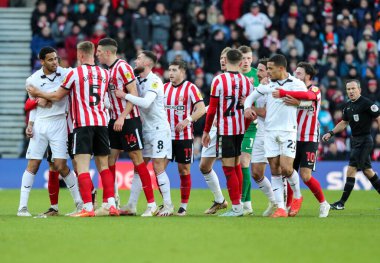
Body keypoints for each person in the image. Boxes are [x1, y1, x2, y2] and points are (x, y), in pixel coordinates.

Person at [27, 41, 117, 217]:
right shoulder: (105, 73)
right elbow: (106, 100)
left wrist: (37, 94)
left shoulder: (75, 73)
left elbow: (57, 95)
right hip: (101, 124)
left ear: (81, 55)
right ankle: (111, 204)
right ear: (92, 53)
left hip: (82, 125)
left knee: (81, 166)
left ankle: (88, 208)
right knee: (104, 167)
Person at [17, 47, 83, 217]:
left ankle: (79, 204)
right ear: (42, 61)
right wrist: (30, 124)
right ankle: (22, 207)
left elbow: (56, 95)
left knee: (61, 165)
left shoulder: (66, 73)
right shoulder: (32, 80)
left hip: (60, 123)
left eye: (56, 59)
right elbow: (32, 105)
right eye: (51, 60)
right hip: (40, 124)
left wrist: (43, 97)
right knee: (33, 164)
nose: (55, 62)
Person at [96, 38, 157, 216]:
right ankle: (111, 202)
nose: (97, 54)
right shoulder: (108, 71)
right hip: (114, 121)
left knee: (137, 161)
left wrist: (122, 116)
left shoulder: (122, 67)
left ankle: (151, 204)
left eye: (99, 51)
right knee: (110, 161)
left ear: (108, 52)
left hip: (128, 120)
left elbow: (134, 94)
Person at [244, 54, 306, 218]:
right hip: (270, 132)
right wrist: (247, 107)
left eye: (270, 69)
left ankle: (298, 196)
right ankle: (280, 208)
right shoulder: (267, 86)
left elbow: (310, 103)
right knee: (275, 170)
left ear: (281, 68)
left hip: (288, 131)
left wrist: (298, 103)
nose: (268, 72)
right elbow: (250, 98)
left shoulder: (297, 84)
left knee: (286, 168)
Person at [114, 50, 174, 216]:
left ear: (147, 63)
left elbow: (146, 103)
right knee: (138, 167)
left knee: (157, 166)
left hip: (159, 129)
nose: (135, 60)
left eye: (139, 58)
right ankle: (131, 205)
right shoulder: (137, 80)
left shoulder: (154, 81)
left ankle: (168, 205)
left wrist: (125, 95)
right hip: (145, 128)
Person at [273, 62, 330, 217]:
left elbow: (309, 97)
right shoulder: (292, 90)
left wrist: (290, 97)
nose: (295, 75)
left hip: (310, 138)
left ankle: (324, 204)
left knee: (305, 176)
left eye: (299, 73)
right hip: (292, 136)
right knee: (289, 172)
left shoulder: (315, 89)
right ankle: (289, 205)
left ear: (308, 76)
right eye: (295, 72)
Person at [202, 49, 252, 217]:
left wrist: (206, 131)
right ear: (240, 63)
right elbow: (249, 111)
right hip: (240, 129)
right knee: (237, 165)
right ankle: (241, 204)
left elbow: (212, 110)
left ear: (226, 60)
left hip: (226, 129)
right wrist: (244, 127)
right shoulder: (247, 82)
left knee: (229, 169)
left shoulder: (219, 80)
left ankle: (236, 208)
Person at [322, 79, 380, 210]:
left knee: (352, 169)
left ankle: (341, 203)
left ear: (359, 89)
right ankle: (341, 203)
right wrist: (331, 133)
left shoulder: (366, 103)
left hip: (365, 140)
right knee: (367, 171)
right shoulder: (348, 106)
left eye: (353, 89)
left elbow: (378, 117)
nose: (351, 91)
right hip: (355, 141)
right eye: (348, 89)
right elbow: (343, 123)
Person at [163, 59, 206, 216]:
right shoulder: (164, 88)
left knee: (184, 170)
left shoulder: (191, 88)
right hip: (166, 137)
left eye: (174, 70)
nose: (171, 73)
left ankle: (183, 206)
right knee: (158, 169)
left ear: (182, 72)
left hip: (184, 136)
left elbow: (201, 109)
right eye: (170, 70)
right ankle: (166, 204)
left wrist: (187, 120)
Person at [200, 47, 230, 215]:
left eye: (225, 57)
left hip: (233, 127)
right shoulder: (218, 79)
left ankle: (244, 206)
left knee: (236, 166)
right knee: (204, 166)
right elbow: (213, 105)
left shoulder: (240, 80)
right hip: (213, 128)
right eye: (220, 57)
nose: (222, 60)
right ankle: (220, 200)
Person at [248, 58, 278, 217]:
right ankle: (273, 201)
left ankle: (283, 203)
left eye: (260, 70)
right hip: (259, 133)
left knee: (278, 170)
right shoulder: (258, 87)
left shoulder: (273, 88)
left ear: (269, 71)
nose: (257, 73)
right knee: (257, 173)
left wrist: (249, 106)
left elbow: (266, 113)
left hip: (274, 133)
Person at [237, 45, 259, 215]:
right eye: (243, 58)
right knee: (237, 164)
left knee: (244, 162)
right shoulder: (232, 76)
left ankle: (243, 202)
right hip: (234, 126)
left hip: (252, 126)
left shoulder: (257, 76)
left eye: (249, 58)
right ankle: (247, 204)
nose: (246, 62)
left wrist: (249, 102)